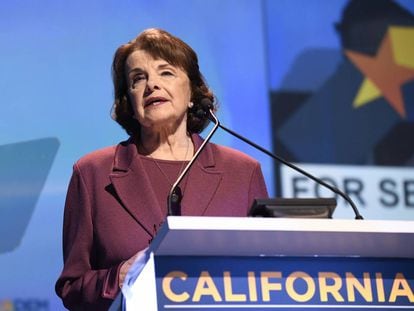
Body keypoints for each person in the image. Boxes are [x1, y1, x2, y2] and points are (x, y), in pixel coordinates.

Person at [55, 28, 268, 310]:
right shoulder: (92, 173)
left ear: (193, 92)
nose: (151, 85)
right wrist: (116, 278)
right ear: (129, 103)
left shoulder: (242, 172)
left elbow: (267, 272)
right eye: (137, 78)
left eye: (165, 72)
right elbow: (72, 288)